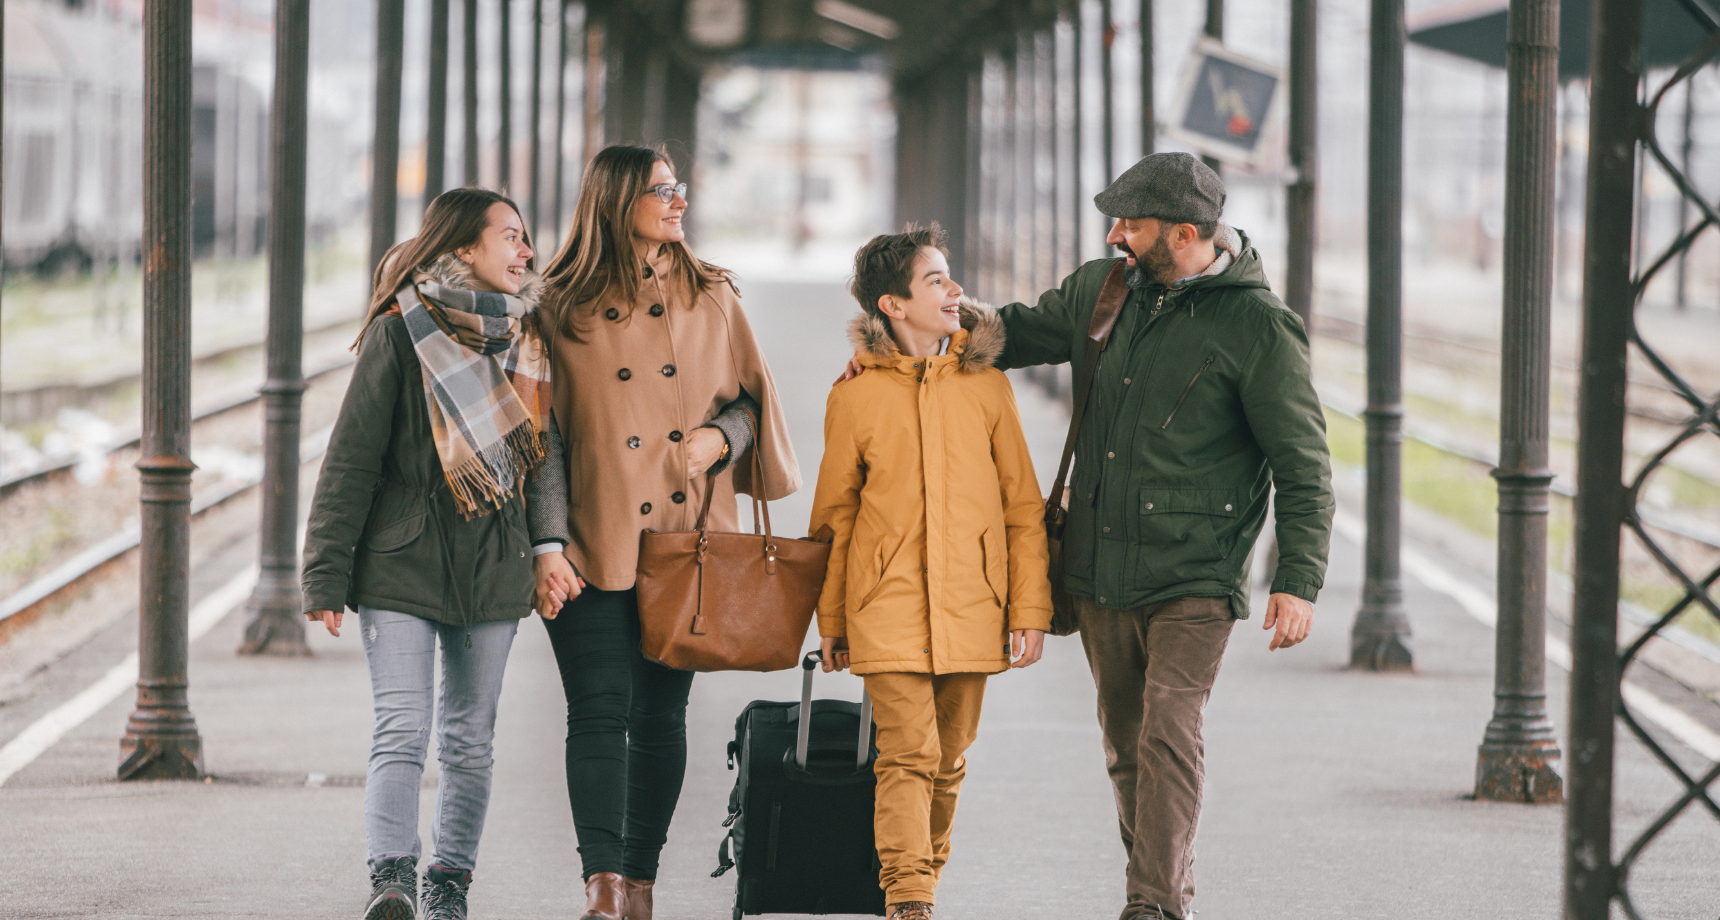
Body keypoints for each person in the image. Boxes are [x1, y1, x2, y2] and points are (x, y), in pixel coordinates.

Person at [990, 152, 1335, 920]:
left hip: (1196, 576)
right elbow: (1009, 335)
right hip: (1099, 564)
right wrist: (901, 339)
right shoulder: (1101, 288)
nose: (1114, 234)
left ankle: (1150, 908)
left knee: (1169, 734)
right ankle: (1164, 892)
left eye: (1130, 224)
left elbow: (1304, 464)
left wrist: (1297, 578)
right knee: (1125, 746)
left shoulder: (1259, 327)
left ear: (1184, 234)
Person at [529, 145, 801, 920]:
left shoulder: (712, 295)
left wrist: (723, 439)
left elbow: (753, 402)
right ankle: (604, 887)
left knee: (658, 717)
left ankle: (640, 882)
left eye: (679, 188)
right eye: (662, 190)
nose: (679, 201)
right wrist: (547, 544)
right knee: (598, 709)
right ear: (617, 200)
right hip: (590, 538)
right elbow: (539, 437)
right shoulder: (557, 303)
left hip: (685, 539)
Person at [301, 187, 568, 920]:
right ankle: (392, 877)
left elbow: (544, 461)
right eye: (509, 237)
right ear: (464, 250)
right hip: (401, 561)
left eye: (525, 237)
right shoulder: (398, 333)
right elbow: (350, 460)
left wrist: (549, 547)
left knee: (470, 739)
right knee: (403, 726)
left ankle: (449, 881)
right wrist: (325, 571)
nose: (525, 251)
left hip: (494, 563)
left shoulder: (528, 341)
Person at [812, 225, 1052, 920]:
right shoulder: (854, 397)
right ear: (893, 304)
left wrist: (1029, 609)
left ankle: (924, 879)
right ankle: (908, 896)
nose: (954, 291)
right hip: (883, 603)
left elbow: (1021, 506)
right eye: (935, 281)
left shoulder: (986, 388)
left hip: (973, 600)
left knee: (948, 760)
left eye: (951, 278)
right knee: (907, 755)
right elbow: (835, 517)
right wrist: (831, 620)